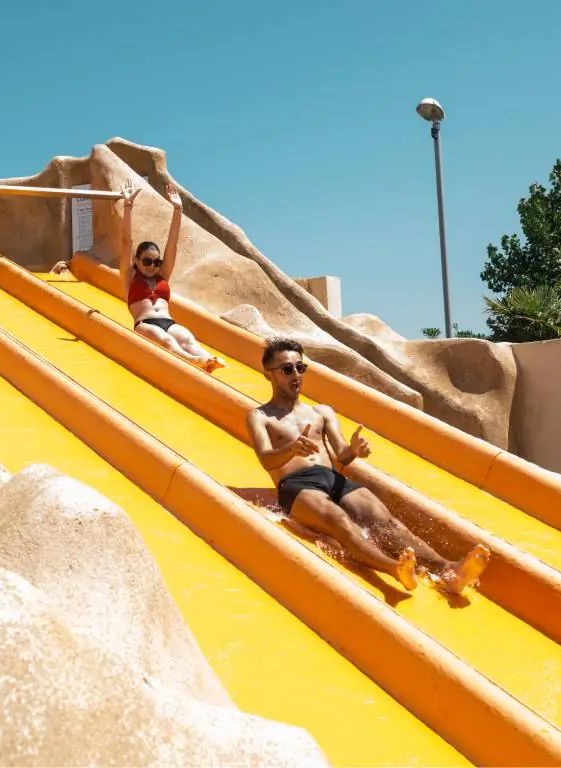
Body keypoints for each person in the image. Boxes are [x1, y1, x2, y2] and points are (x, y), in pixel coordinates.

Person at [245, 336, 491, 594]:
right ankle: (394, 568)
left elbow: (341, 456)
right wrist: (291, 448)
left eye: (300, 367)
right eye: (286, 369)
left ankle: (449, 570)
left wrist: (353, 451)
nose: (295, 374)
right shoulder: (260, 416)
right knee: (339, 520)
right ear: (268, 374)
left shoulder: (322, 412)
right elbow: (265, 458)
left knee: (386, 520)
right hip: (296, 485)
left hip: (331, 478)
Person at [119, 181, 225, 373]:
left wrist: (178, 209)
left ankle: (207, 360)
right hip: (145, 324)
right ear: (137, 260)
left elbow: (172, 245)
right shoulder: (129, 276)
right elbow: (126, 242)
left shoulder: (162, 276)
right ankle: (194, 362)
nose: (153, 266)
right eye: (147, 262)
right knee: (167, 341)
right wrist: (127, 206)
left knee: (187, 338)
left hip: (169, 321)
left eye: (156, 262)